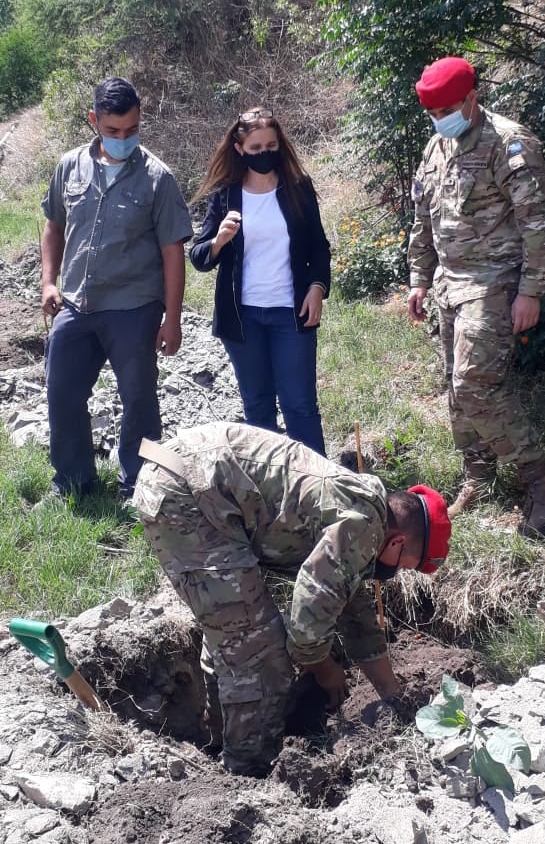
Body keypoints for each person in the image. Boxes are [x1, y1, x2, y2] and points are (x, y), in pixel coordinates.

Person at [134, 422, 451, 777]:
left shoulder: (364, 506)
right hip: (188, 497)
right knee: (261, 651)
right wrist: (326, 670)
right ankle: (246, 773)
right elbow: (304, 629)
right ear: (396, 544)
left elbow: (352, 607)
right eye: (406, 566)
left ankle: (219, 734)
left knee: (236, 627)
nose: (396, 573)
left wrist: (391, 693)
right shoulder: (363, 527)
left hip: (187, 476)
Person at [407, 55, 545, 534]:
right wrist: (419, 279)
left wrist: (531, 292)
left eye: (447, 111)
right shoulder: (436, 147)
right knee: (456, 391)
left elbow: (538, 224)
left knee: (475, 385)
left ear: (472, 99)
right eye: (432, 114)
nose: (440, 121)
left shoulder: (509, 142)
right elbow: (424, 220)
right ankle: (478, 477)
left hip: (495, 285)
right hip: (450, 286)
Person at [40, 76, 192, 498]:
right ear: (94, 121)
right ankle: (73, 481)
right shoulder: (70, 166)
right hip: (76, 304)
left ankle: (140, 485)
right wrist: (48, 282)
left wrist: (172, 319)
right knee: (62, 392)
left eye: (131, 130)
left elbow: (172, 252)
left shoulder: (158, 178)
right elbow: (54, 226)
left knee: (139, 401)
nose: (123, 139)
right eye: (112, 131)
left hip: (134, 308)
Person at [190, 107, 330, 456]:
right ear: (239, 149)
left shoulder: (298, 187)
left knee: (299, 405)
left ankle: (319, 489)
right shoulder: (224, 194)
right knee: (258, 408)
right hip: (243, 318)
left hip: (290, 313)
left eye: (272, 145)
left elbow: (319, 249)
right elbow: (199, 256)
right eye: (256, 148)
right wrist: (219, 241)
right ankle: (268, 494)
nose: (265, 153)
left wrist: (317, 288)